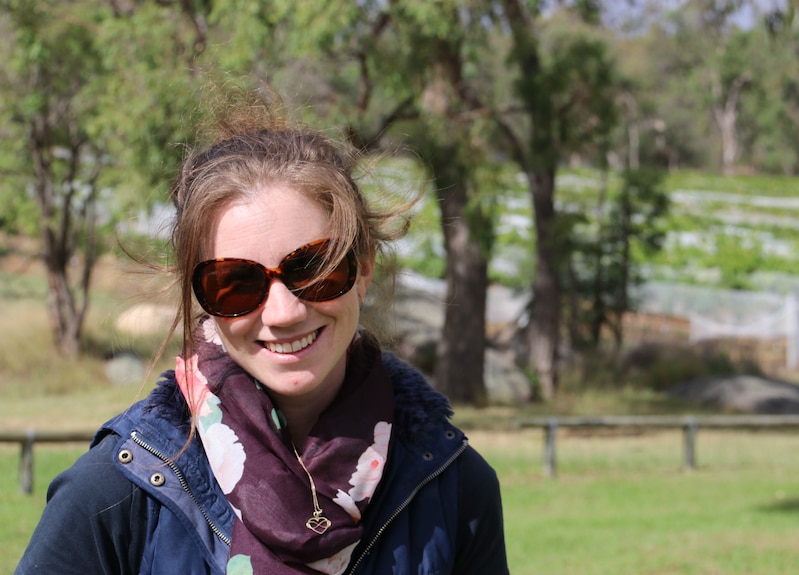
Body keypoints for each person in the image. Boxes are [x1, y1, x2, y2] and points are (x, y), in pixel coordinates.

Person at [15, 109, 509, 574]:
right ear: (201, 296)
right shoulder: (115, 491)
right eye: (236, 284)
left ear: (364, 269)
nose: (285, 312)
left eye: (315, 268)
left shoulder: (455, 487)